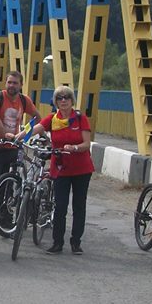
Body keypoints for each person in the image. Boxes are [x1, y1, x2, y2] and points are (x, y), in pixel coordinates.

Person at [25, 85, 94, 254]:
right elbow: (35, 129)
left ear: (72, 101)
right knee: (60, 206)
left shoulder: (80, 119)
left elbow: (86, 144)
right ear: (55, 102)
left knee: (79, 206)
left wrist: (75, 148)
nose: (63, 101)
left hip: (81, 169)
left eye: (67, 98)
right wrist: (19, 135)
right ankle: (57, 243)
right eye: (59, 98)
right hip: (61, 168)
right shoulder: (52, 119)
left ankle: (76, 242)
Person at [0, 70, 38, 234]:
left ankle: (4, 218)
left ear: (21, 85)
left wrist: (25, 134)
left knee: (10, 184)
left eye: (15, 83)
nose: (11, 86)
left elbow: (37, 118)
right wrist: (6, 135)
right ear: (6, 83)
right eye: (9, 82)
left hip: (13, 147)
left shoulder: (24, 101)